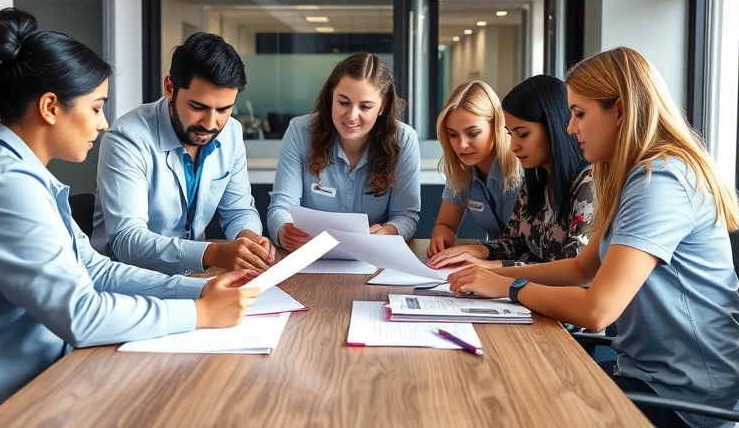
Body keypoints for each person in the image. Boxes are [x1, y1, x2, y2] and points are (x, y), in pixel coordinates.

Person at [0, 9, 259, 425]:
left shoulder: (22, 174)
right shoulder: (1, 182)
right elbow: (82, 315)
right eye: (96, 107)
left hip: (28, 377)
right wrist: (201, 314)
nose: (104, 124)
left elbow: (94, 270)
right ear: (51, 107)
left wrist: (196, 291)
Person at [447, 47, 739, 428]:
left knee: (505, 405)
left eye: (579, 113)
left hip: (688, 405)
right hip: (644, 379)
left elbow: (597, 312)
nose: (570, 127)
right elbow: (581, 267)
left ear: (620, 111)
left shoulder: (661, 181)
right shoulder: (628, 176)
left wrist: (509, 288)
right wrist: (490, 278)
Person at [91, 33, 273, 274]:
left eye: (224, 109)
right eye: (198, 107)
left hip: (193, 277)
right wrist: (213, 253)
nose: (210, 123)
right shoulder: (127, 138)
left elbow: (239, 210)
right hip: (127, 284)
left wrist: (248, 237)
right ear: (170, 88)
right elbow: (127, 241)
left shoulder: (231, 132)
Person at [428, 75, 593, 268]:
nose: (513, 146)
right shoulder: (536, 178)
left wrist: (488, 267)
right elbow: (514, 244)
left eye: (522, 134)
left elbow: (571, 269)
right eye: (511, 134)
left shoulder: (588, 183)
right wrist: (478, 251)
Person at [267, 53, 421, 250]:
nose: (352, 116)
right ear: (332, 96)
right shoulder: (300, 131)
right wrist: (283, 229)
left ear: (382, 107)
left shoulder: (404, 139)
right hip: (310, 256)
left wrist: (386, 232)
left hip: (372, 255)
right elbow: (281, 206)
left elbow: (405, 217)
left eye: (365, 106)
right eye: (343, 102)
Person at [425, 81, 521, 257]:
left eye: (473, 133)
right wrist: (440, 238)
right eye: (453, 135)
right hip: (491, 263)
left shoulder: (524, 166)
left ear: (497, 127)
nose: (462, 145)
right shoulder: (461, 172)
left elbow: (530, 246)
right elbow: (445, 226)